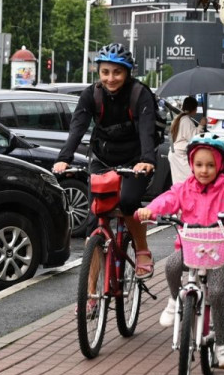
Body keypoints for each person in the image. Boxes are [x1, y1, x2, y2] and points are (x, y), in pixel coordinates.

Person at [136, 135, 224, 369]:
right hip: (190, 248)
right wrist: (150, 210)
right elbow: (167, 200)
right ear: (192, 165)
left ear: (220, 166)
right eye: (199, 164)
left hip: (217, 254)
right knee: (172, 265)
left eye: (210, 165)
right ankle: (175, 300)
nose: (204, 170)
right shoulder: (184, 189)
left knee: (217, 293)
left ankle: (222, 345)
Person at [53, 43, 158, 277]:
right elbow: (77, 127)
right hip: (103, 158)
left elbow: (147, 130)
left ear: (128, 72)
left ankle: (142, 250)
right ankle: (90, 291)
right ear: (98, 71)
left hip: (135, 160)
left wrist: (147, 159)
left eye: (117, 72)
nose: (111, 78)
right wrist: (64, 158)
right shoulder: (91, 94)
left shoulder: (139, 93)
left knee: (128, 202)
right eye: (105, 72)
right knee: (95, 218)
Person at [168, 95, 207, 184]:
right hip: (180, 155)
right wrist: (201, 125)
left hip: (175, 153)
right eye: (196, 109)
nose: (196, 111)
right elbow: (193, 138)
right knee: (188, 181)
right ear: (193, 109)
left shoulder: (178, 118)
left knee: (179, 183)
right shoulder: (186, 120)